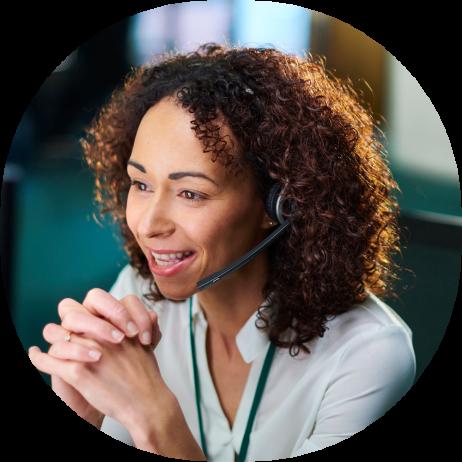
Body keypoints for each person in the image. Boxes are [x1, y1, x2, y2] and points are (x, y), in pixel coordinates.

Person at [28, 42, 416, 460]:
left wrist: (156, 419)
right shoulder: (136, 295)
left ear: (281, 204)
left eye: (191, 193)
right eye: (141, 184)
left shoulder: (368, 356)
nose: (149, 224)